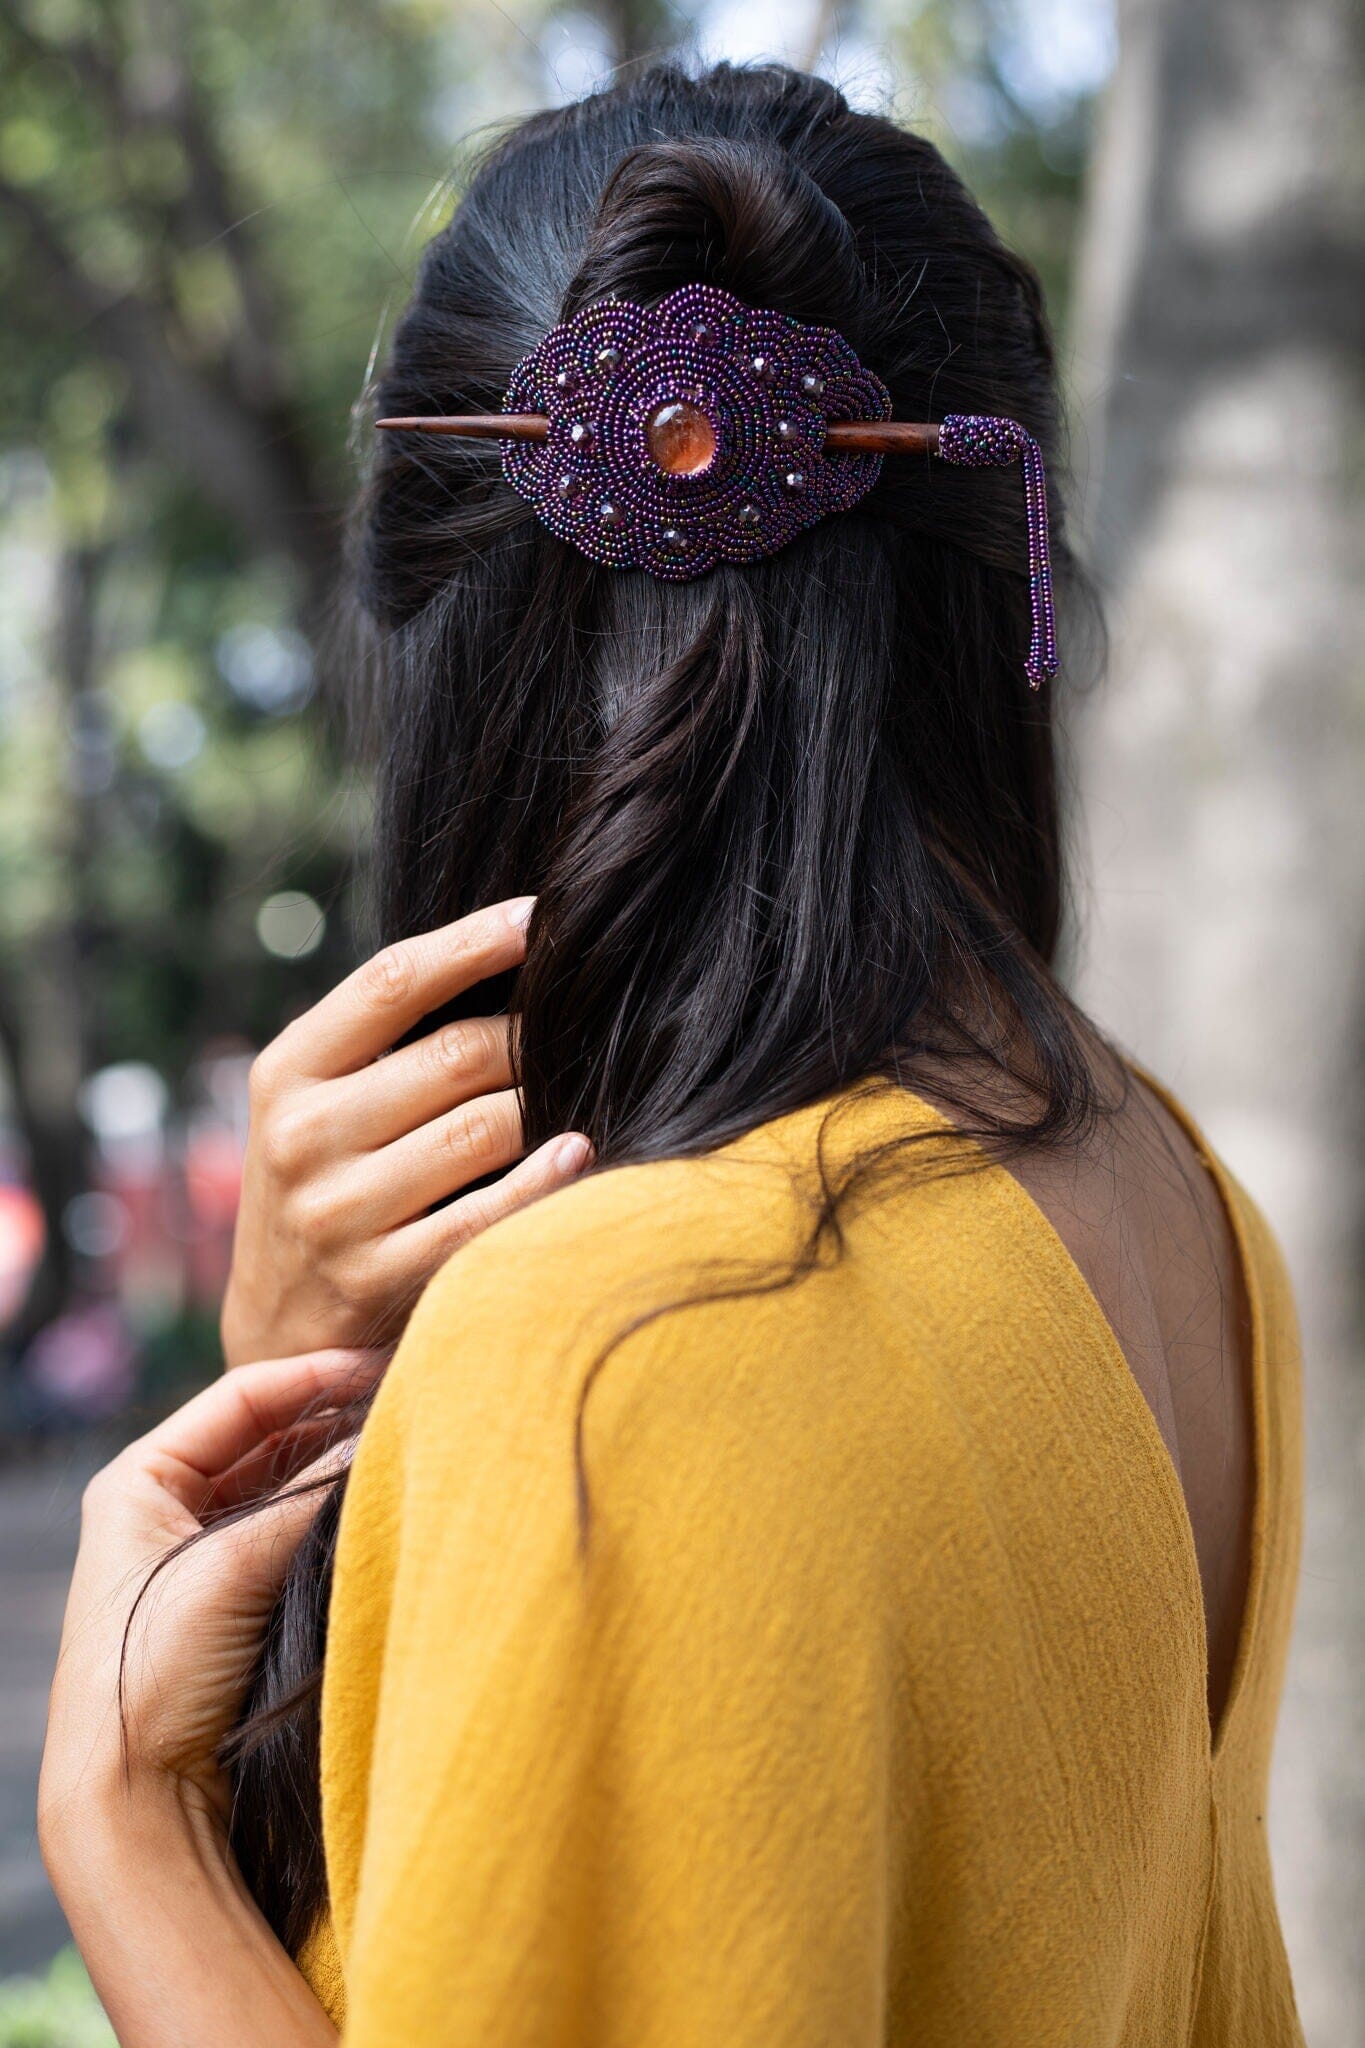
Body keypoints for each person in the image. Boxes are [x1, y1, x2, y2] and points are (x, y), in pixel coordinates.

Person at [38, 62, 1305, 2047]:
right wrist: (345, 1378)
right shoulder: (1174, 1201)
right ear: (1011, 596)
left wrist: (126, 1822)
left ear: (442, 647)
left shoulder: (619, 1362)